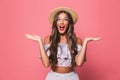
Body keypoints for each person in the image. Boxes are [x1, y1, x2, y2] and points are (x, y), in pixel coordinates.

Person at [25, 7, 101, 80]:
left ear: (69, 23)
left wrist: (85, 42)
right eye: (59, 19)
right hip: (53, 77)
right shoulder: (48, 39)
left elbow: (79, 63)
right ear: (56, 23)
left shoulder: (77, 41)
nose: (61, 22)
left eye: (65, 19)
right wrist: (40, 42)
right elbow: (46, 64)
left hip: (71, 77)